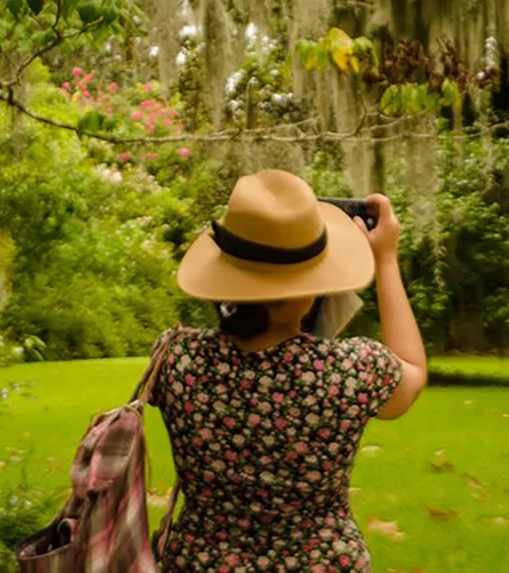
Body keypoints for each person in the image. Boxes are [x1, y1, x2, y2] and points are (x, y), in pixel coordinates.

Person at [147, 169, 428, 572]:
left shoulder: (175, 357)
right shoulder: (351, 371)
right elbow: (413, 371)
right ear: (307, 291)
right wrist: (385, 259)